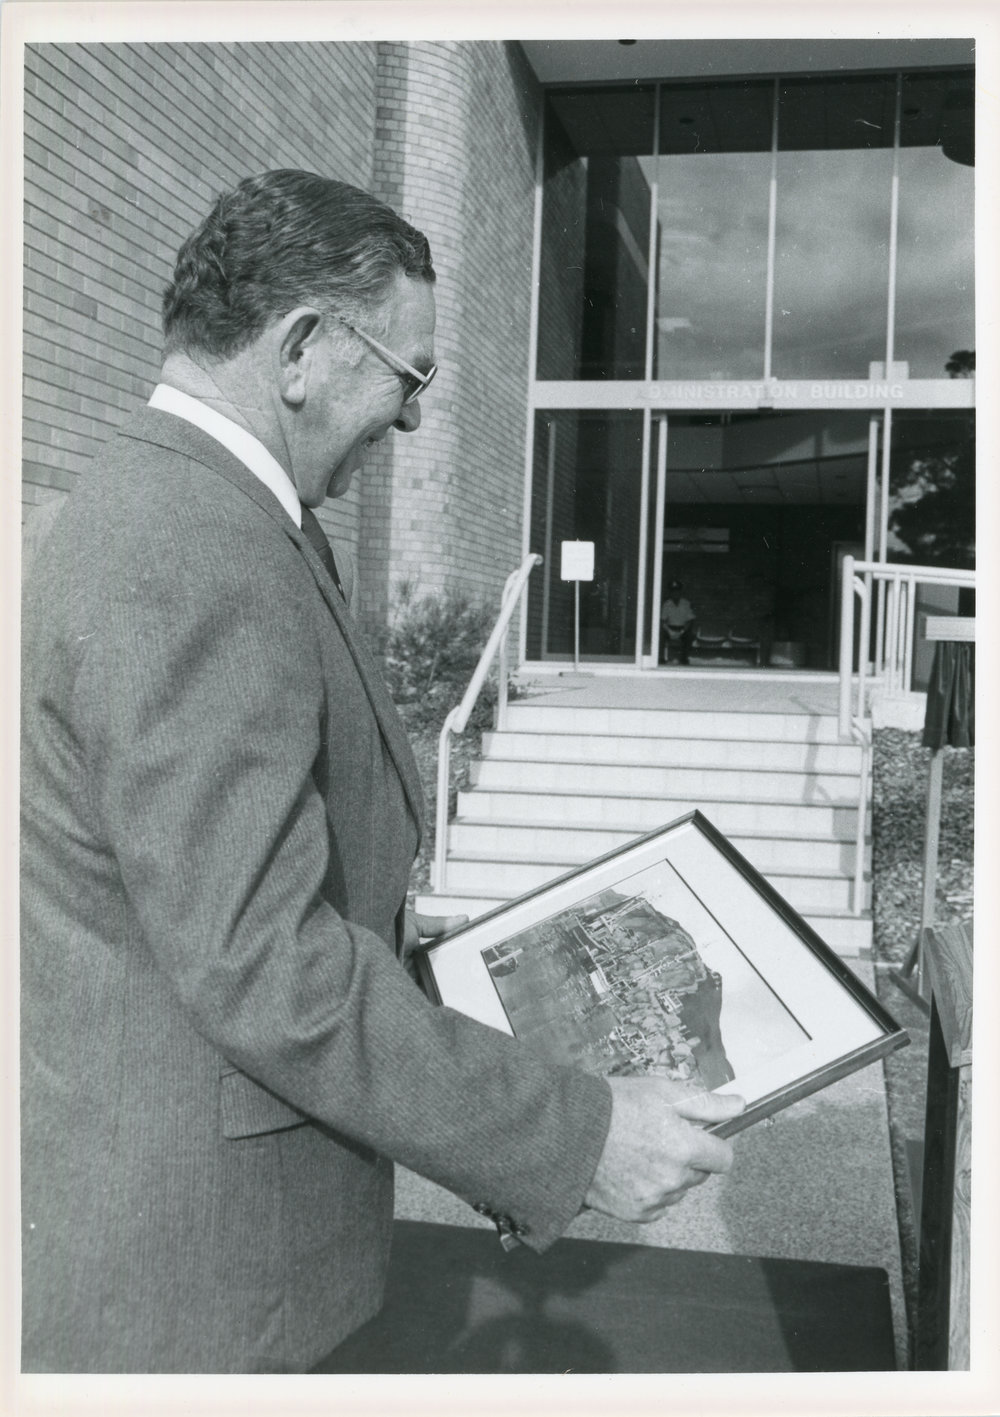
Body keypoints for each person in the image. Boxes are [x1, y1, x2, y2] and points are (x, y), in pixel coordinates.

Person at [20, 170, 743, 1373]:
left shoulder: (204, 515)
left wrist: (516, 1051)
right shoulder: (191, 547)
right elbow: (269, 966)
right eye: (409, 378)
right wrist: (572, 1134)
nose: (410, 420)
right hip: (199, 1291)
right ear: (303, 346)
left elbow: (282, 909)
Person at [661, 580, 697, 665]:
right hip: (669, 628)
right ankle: (660, 658)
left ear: (680, 592)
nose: (675, 593)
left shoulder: (686, 603)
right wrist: (670, 631)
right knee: (660, 635)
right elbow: (663, 621)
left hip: (683, 628)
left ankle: (684, 658)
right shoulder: (667, 604)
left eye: (677, 591)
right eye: (673, 592)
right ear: (670, 593)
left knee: (689, 636)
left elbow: (690, 621)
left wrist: (682, 632)